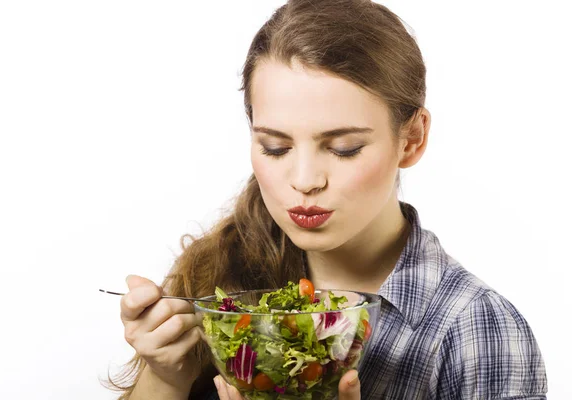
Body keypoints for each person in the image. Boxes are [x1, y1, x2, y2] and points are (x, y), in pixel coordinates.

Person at [107, 0, 547, 399]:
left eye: (344, 148)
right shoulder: (213, 278)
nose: (304, 180)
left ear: (411, 139)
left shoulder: (476, 330)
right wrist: (166, 376)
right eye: (276, 147)